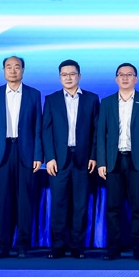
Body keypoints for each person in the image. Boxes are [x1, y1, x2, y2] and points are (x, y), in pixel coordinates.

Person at [96, 63, 139, 261]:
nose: (125, 78)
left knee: (138, 207)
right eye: (121, 75)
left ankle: (138, 248)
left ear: (135, 79)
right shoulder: (106, 102)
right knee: (113, 207)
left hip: (137, 162)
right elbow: (100, 135)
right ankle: (113, 248)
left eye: (129, 75)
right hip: (113, 161)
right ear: (116, 79)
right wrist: (101, 162)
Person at [0, 56, 42, 259]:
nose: (13, 70)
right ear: (3, 70)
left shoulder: (34, 94)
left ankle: (23, 245)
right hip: (2, 153)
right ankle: (2, 245)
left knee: (24, 201)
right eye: (9, 67)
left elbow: (37, 127)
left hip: (25, 153)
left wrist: (38, 155)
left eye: (17, 67)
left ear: (23, 70)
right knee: (2, 201)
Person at [42, 60, 100, 259]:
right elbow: (46, 131)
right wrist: (49, 158)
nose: (68, 77)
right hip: (59, 160)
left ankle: (77, 246)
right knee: (59, 204)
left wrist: (94, 156)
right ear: (60, 77)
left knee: (80, 205)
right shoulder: (51, 99)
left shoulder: (92, 99)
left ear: (79, 76)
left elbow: (97, 131)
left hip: (83, 159)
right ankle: (58, 246)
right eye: (64, 74)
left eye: (72, 74)